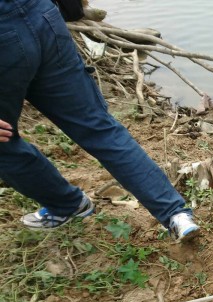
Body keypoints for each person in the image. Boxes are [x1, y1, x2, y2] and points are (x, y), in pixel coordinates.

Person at [0, 0, 199, 242]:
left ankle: (67, 205)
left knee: (3, 142)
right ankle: (176, 215)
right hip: (42, 16)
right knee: (98, 128)